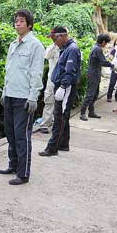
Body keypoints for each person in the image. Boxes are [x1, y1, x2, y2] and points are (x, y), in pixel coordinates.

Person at [0, 9, 45, 185]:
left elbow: (36, 73)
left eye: (21, 21)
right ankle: (13, 165)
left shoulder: (35, 45)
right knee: (10, 133)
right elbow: (9, 71)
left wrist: (33, 97)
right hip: (10, 95)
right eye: (16, 21)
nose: (17, 24)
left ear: (29, 24)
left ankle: (23, 173)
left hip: (24, 98)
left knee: (21, 136)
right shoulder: (13, 44)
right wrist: (4, 91)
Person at [39, 26, 81, 157]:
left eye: (54, 38)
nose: (54, 42)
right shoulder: (66, 48)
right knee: (63, 116)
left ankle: (52, 148)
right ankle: (63, 144)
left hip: (66, 87)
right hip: (62, 86)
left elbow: (69, 71)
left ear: (62, 36)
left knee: (59, 117)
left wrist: (63, 87)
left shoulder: (72, 50)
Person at [80, 33, 114, 121]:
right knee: (90, 94)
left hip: (95, 73)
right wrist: (112, 65)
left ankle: (91, 111)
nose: (106, 45)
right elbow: (103, 61)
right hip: (93, 74)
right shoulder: (97, 49)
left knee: (95, 94)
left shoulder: (96, 48)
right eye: (106, 43)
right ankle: (82, 113)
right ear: (103, 42)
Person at [35, 42, 59, 134]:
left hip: (64, 81)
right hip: (52, 81)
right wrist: (54, 45)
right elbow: (47, 56)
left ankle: (58, 125)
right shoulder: (52, 47)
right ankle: (45, 124)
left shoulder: (70, 47)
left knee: (62, 104)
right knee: (49, 102)